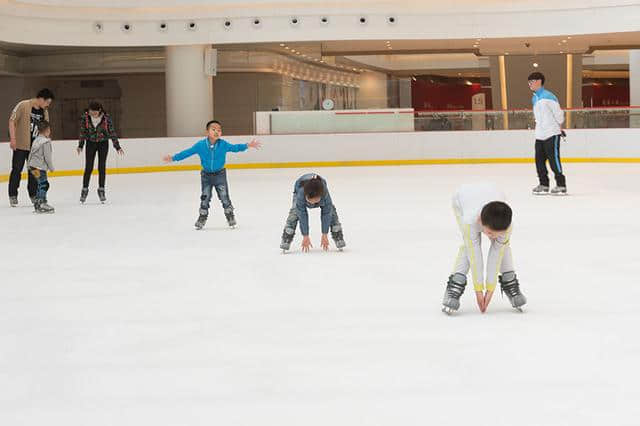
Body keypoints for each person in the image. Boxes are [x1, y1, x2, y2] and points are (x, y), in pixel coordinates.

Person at [442, 182, 526, 314]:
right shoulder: (469, 222)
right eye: (491, 233)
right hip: (462, 200)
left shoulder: (507, 227)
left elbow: (497, 253)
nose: (493, 237)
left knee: (503, 246)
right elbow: (475, 255)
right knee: (469, 246)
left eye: (498, 234)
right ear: (480, 222)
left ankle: (509, 281)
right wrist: (479, 289)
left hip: (491, 193)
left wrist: (490, 288)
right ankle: (455, 285)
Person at [163, 120, 262, 230]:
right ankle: (202, 217)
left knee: (224, 196)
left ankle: (230, 215)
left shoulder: (223, 144)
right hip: (206, 176)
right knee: (205, 197)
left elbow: (235, 148)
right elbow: (187, 153)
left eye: (219, 130)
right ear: (207, 132)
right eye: (213, 129)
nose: (216, 132)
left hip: (220, 174)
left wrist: (247, 145)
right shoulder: (200, 145)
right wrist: (173, 158)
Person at [7, 88, 55, 207]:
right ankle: (13, 195)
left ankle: (33, 194)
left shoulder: (44, 111)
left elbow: (46, 128)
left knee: (34, 171)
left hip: (35, 147)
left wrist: (47, 140)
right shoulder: (23, 105)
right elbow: (12, 121)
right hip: (21, 145)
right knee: (16, 169)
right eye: (47, 102)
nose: (47, 105)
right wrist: (13, 139)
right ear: (41, 99)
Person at [280, 173, 346, 253]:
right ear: (306, 196)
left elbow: (326, 214)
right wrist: (305, 235)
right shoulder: (301, 194)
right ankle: (287, 236)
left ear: (321, 196)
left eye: (315, 200)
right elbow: (302, 215)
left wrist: (324, 234)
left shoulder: (325, 194)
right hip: (300, 190)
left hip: (320, 193)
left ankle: (337, 235)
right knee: (294, 213)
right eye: (310, 200)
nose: (312, 203)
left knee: (331, 212)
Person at [528, 72, 567, 195]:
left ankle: (561, 185)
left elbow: (559, 114)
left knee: (553, 160)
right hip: (540, 134)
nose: (529, 84)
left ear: (539, 81)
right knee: (539, 161)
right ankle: (544, 184)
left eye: (531, 82)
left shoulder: (549, 96)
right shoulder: (534, 98)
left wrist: (559, 126)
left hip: (552, 133)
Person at [77, 101, 124, 204]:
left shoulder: (106, 119)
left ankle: (101, 190)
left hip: (103, 143)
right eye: (91, 112)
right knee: (88, 167)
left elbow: (112, 132)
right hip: (90, 143)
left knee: (101, 167)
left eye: (94, 112)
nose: (92, 114)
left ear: (99, 110)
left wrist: (117, 146)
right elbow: (82, 132)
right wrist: (80, 145)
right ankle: (84, 190)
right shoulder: (85, 118)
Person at [27, 121, 55, 213]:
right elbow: (47, 157)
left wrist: (29, 165)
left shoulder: (36, 140)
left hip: (32, 167)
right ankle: (42, 202)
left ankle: (38, 203)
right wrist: (51, 168)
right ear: (47, 130)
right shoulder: (45, 142)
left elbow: (31, 153)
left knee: (40, 184)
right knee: (44, 184)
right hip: (39, 167)